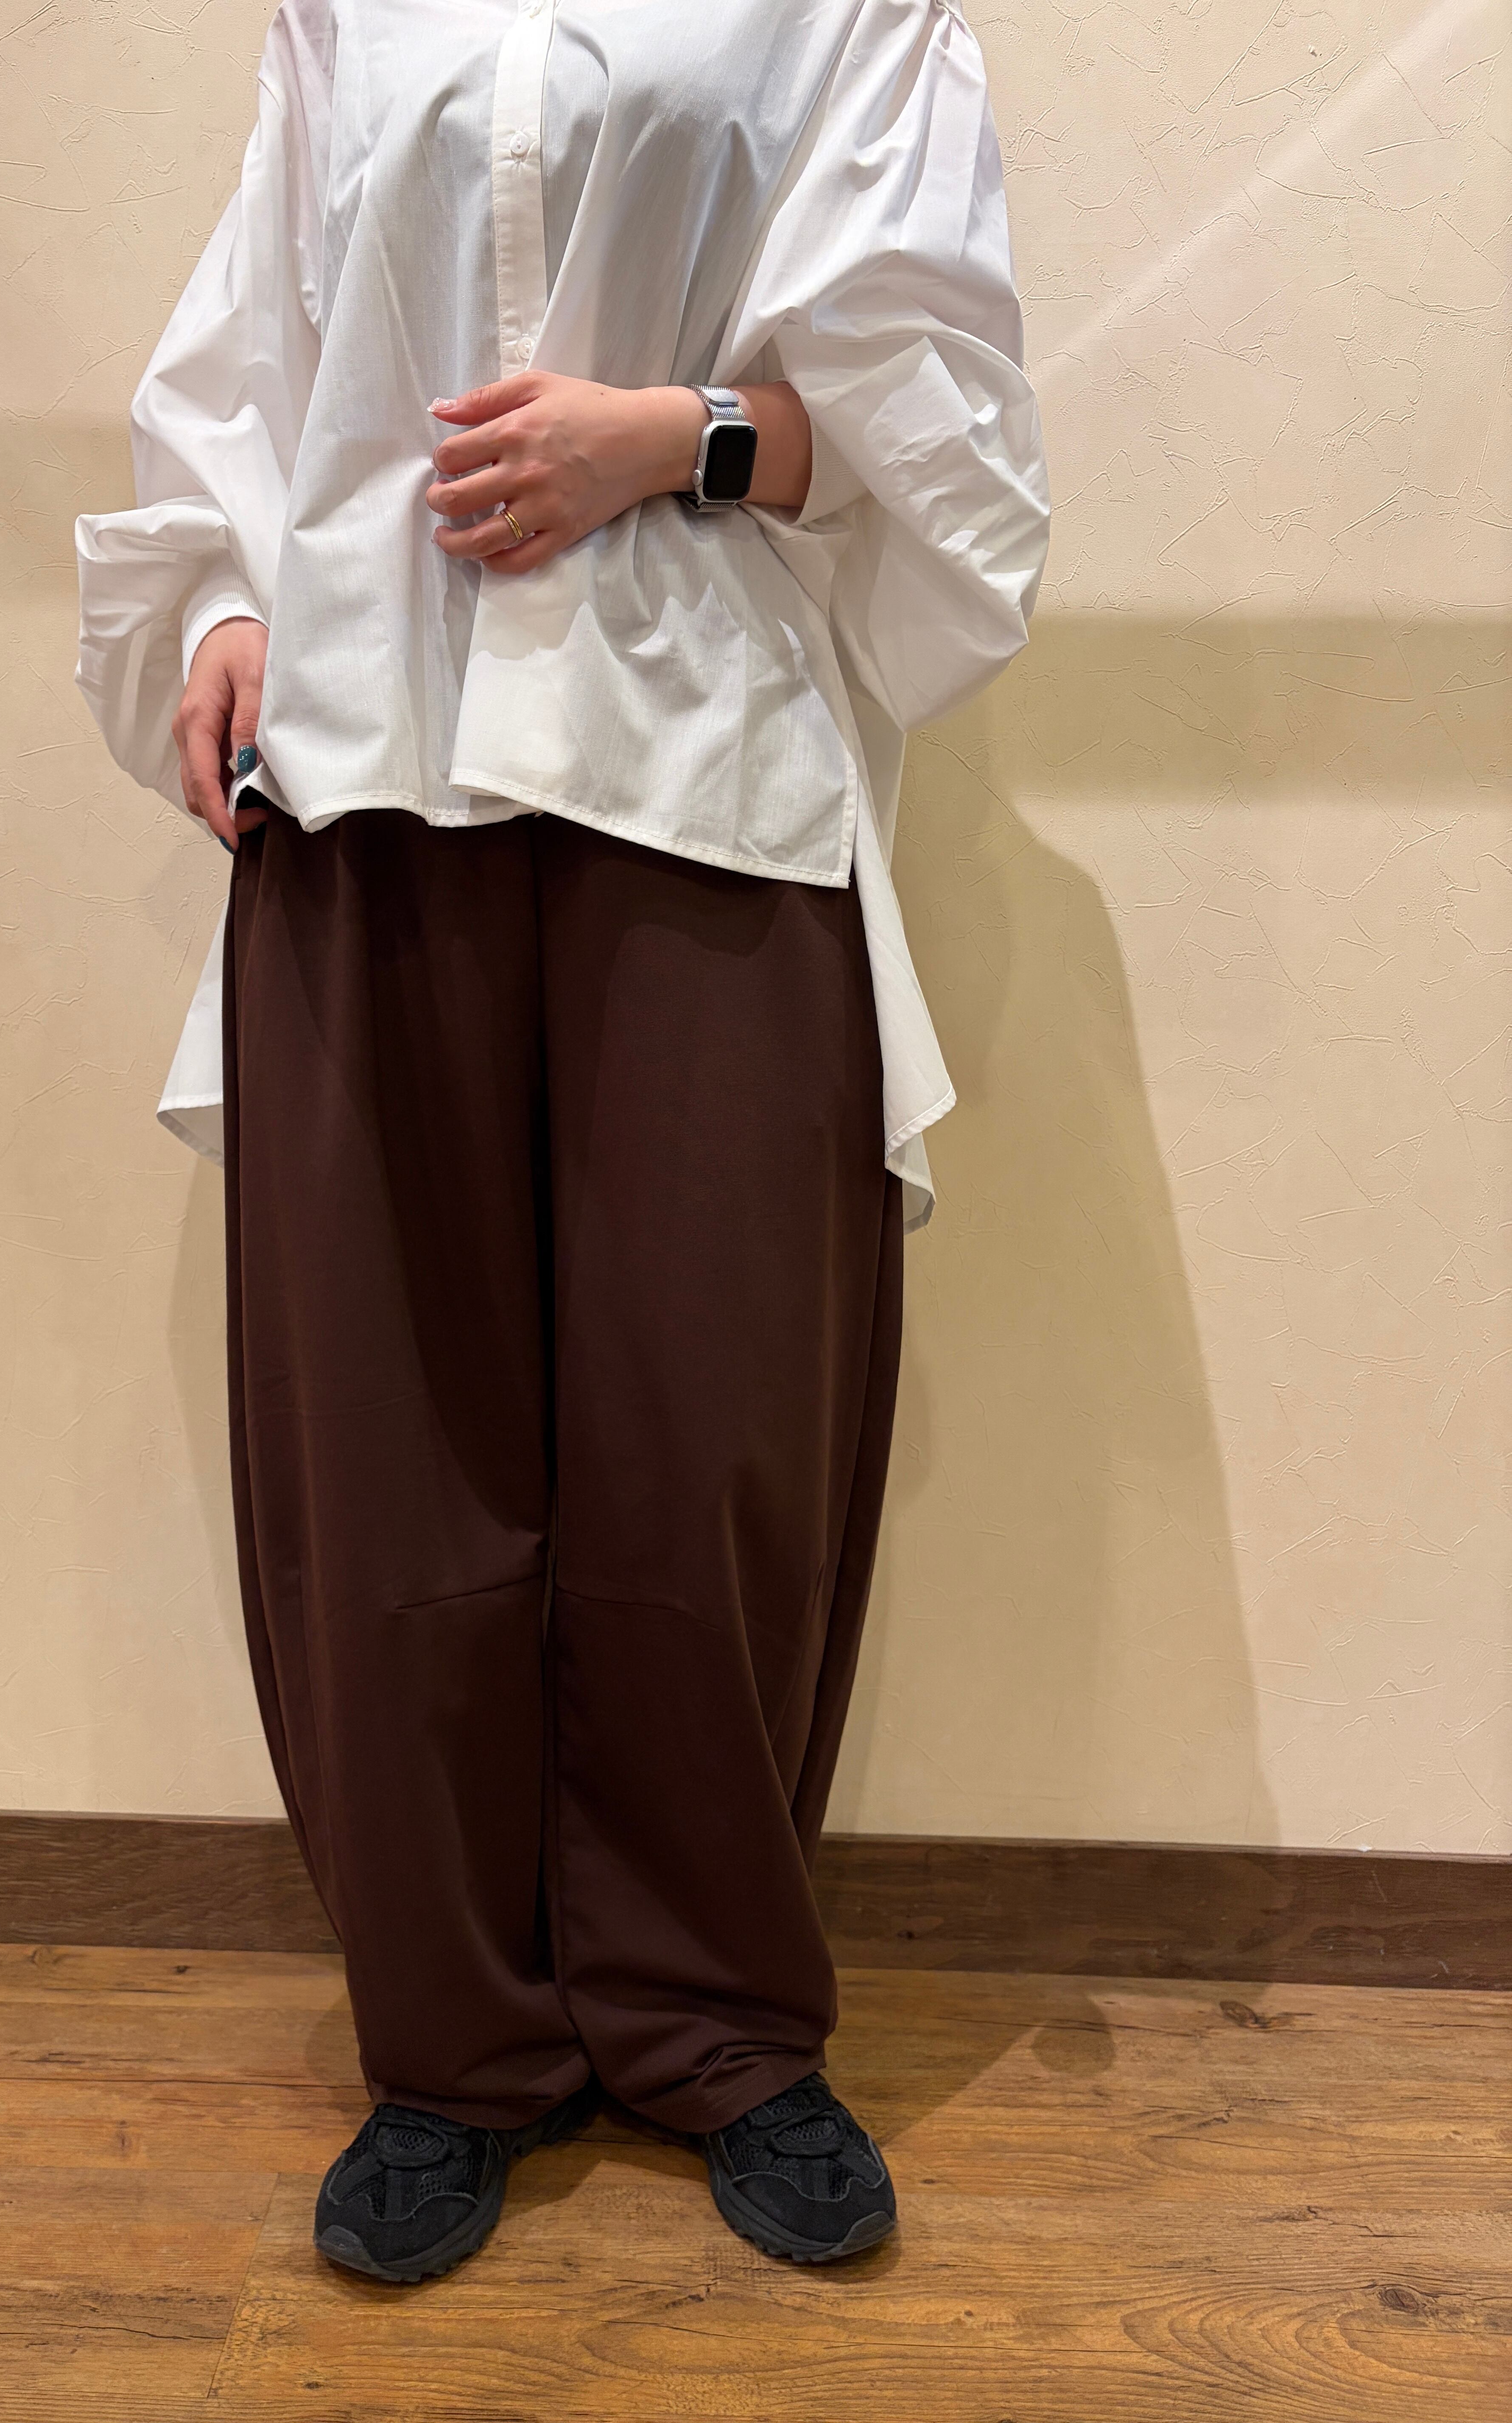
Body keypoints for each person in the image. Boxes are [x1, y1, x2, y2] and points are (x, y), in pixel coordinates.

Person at [75, 0, 1047, 2283]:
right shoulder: (341, 13)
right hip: (369, 768)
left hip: (704, 768)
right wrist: (220, 606)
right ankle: (453, 2049)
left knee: (709, 1437)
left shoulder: (850, 10)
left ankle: (717, 2021)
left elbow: (952, 430)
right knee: (388, 1449)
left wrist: (675, 437)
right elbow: (246, 367)